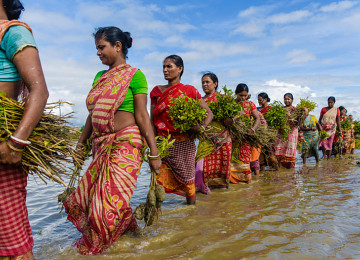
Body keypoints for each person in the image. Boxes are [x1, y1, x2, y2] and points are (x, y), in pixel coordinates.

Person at [63, 27, 161, 255]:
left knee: (104, 207)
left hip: (126, 143)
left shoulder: (135, 75)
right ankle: (133, 240)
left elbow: (142, 115)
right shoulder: (100, 77)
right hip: (100, 145)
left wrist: (154, 153)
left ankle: (97, 251)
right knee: (98, 200)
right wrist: (80, 144)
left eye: (101, 47)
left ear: (118, 46)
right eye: (97, 48)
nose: (98, 53)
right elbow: (92, 114)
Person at [0, 1, 49, 259]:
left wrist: (15, 143)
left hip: (3, 148)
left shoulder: (12, 32)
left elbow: (39, 90)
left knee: (12, 245)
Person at [150, 55, 213, 204]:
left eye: (169, 66)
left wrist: (201, 127)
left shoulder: (189, 91)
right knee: (157, 183)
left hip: (185, 144)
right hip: (163, 144)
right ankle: (157, 220)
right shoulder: (156, 92)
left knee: (188, 183)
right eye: (163, 67)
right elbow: (151, 120)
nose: (165, 70)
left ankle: (191, 217)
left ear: (180, 69)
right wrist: (153, 145)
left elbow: (209, 113)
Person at [195, 72, 232, 194]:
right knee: (200, 167)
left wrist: (230, 120)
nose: (204, 84)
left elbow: (237, 114)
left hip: (223, 140)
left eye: (207, 82)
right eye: (203, 82)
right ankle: (200, 193)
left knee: (220, 171)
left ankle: (219, 203)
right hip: (205, 139)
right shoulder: (199, 100)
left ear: (215, 84)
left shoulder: (223, 99)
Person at [229, 83, 260, 184]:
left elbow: (257, 118)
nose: (243, 98)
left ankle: (247, 185)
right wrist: (236, 117)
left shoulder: (250, 104)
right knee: (231, 161)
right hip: (233, 138)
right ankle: (233, 184)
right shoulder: (231, 104)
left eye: (245, 96)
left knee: (245, 160)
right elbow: (226, 121)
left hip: (246, 138)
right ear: (236, 93)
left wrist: (253, 129)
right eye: (240, 95)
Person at [274, 93, 298, 168]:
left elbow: (296, 122)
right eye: (285, 99)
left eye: (288, 99)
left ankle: (290, 167)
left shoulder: (295, 110)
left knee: (290, 147)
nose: (287, 101)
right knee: (279, 148)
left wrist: (289, 116)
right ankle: (279, 166)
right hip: (281, 131)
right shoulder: (281, 109)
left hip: (291, 132)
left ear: (292, 100)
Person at [257, 92, 278, 171]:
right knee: (260, 153)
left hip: (268, 135)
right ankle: (261, 171)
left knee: (270, 152)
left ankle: (276, 170)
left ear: (265, 99)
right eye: (258, 100)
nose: (259, 102)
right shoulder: (257, 109)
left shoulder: (271, 109)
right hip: (259, 134)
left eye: (260, 100)